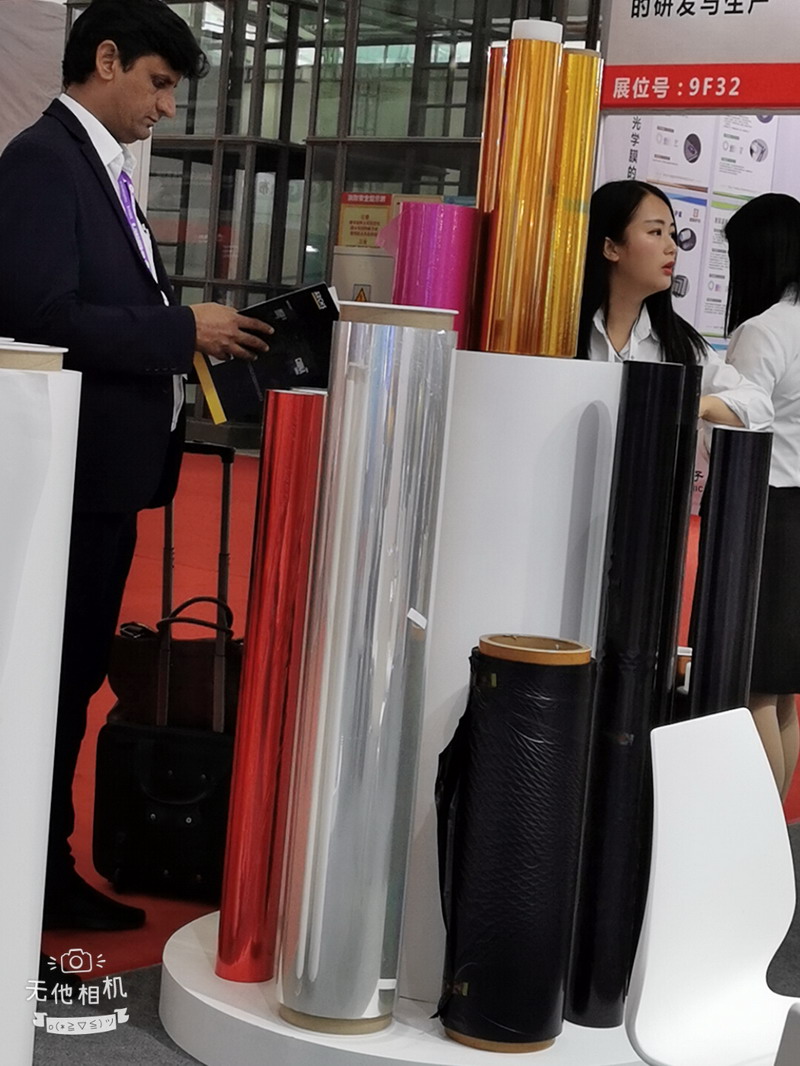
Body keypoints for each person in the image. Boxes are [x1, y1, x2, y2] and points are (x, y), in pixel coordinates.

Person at [0, 0, 274, 933]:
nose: (165, 108)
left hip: (103, 483)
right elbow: (39, 319)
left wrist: (187, 334)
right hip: (64, 483)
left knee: (70, 683)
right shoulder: (44, 163)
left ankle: (43, 872)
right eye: (158, 84)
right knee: (47, 687)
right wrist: (178, 329)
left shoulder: (99, 169)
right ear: (107, 59)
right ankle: (29, 883)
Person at [577, 180, 772, 436]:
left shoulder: (677, 342)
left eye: (671, 234)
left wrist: (698, 405)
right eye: (655, 232)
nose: (672, 247)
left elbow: (759, 405)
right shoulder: (565, 332)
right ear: (611, 248)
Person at [724, 192, 800, 801]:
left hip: (769, 513)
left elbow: (740, 417)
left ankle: (759, 835)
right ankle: (776, 835)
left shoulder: (763, 330)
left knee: (754, 689)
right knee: (784, 692)